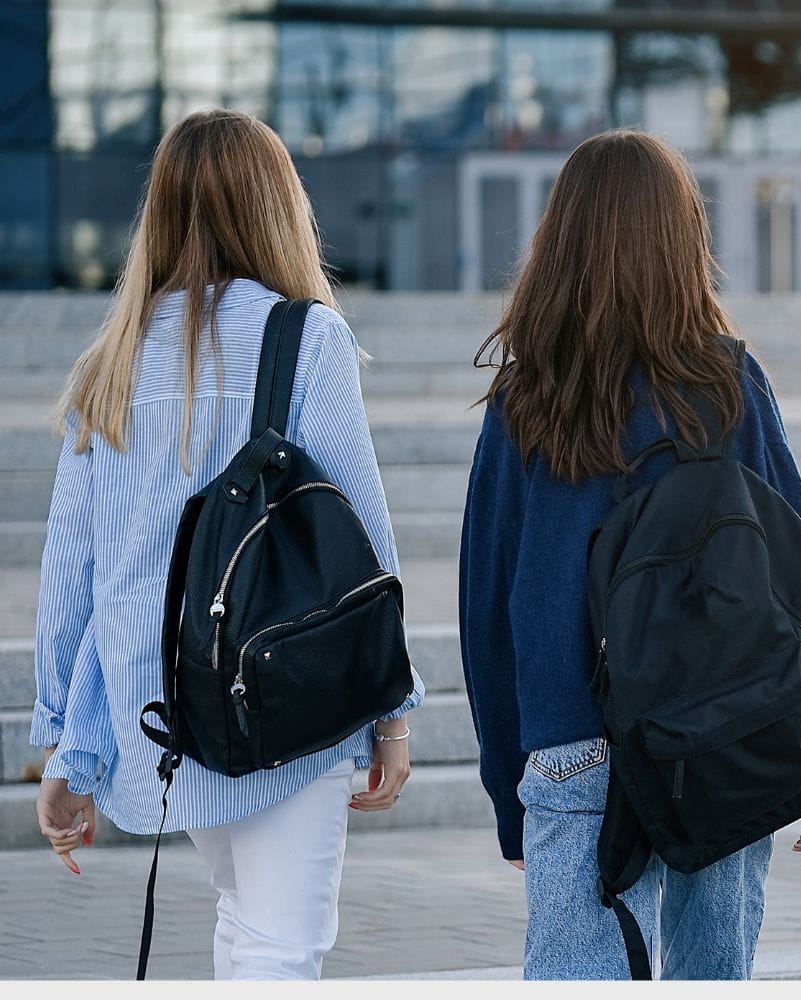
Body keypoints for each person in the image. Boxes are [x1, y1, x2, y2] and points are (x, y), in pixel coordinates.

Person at [30, 108, 424, 981]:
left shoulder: (113, 364)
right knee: (281, 945)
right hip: (293, 694)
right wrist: (391, 710)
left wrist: (68, 741)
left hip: (168, 710)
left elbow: (72, 573)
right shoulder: (307, 339)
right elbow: (362, 533)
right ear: (276, 207)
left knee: (246, 924)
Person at [459, 128, 801, 981]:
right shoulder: (727, 387)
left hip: (573, 742)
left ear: (558, 241)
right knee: (712, 976)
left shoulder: (527, 399)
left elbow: (488, 611)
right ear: (685, 241)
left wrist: (509, 793)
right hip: (723, 724)